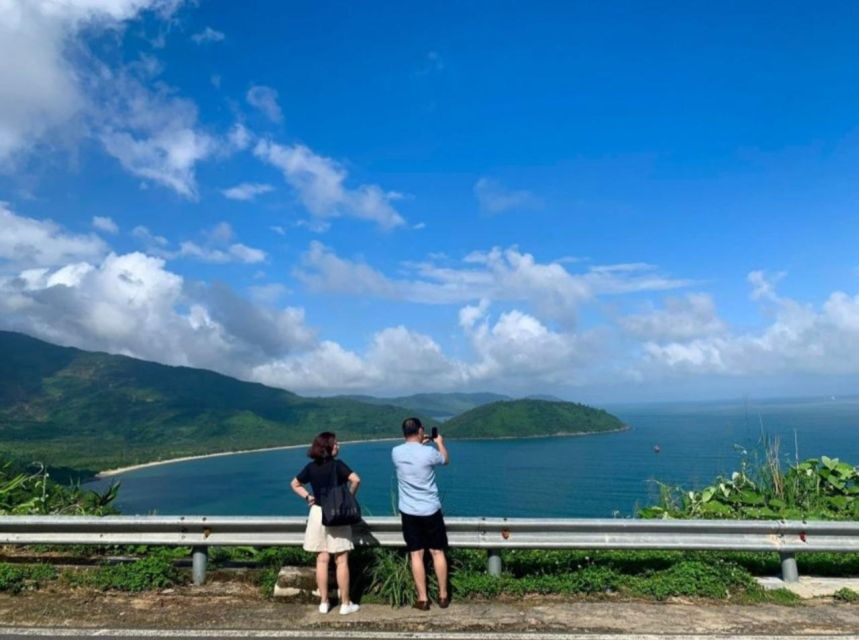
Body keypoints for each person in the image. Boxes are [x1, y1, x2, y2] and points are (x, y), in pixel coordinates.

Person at [290, 432, 361, 615]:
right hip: (336, 513)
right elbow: (355, 479)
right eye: (336, 443)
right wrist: (349, 497)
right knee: (341, 560)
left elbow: (295, 484)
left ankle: (324, 602)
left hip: (317, 513)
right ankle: (345, 604)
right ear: (329, 447)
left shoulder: (311, 467)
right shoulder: (338, 466)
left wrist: (308, 497)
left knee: (322, 559)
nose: (339, 446)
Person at [391, 417, 450, 610]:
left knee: (416, 554)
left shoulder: (396, 452)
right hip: (431, 509)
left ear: (403, 433)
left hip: (409, 511)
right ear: (420, 430)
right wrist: (439, 443)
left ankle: (423, 599)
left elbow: (412, 454)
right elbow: (445, 460)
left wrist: (420, 443)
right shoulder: (430, 452)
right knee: (437, 552)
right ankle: (443, 596)